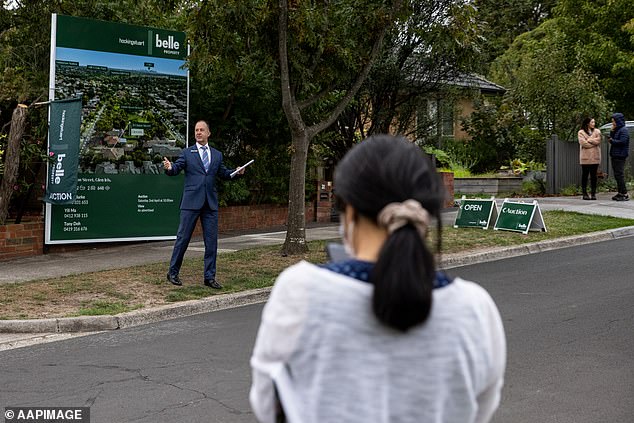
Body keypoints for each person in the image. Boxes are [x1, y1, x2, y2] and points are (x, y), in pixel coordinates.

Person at [249, 135, 506, 423]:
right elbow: (480, 409)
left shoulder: (300, 291)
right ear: (426, 214)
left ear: (351, 212)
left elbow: (267, 401)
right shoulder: (475, 308)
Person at [163, 120, 245, 288]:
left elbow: (223, 173)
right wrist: (169, 168)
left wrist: (236, 172)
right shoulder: (187, 153)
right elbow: (176, 169)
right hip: (191, 202)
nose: (198, 132)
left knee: (211, 242)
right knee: (183, 239)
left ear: (208, 133)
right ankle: (172, 272)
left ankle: (209, 277)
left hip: (210, 204)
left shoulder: (217, 154)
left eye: (202, 130)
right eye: (196, 130)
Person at [578, 117, 602, 200]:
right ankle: (584, 193)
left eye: (594, 122)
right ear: (587, 123)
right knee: (585, 175)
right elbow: (583, 144)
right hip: (585, 158)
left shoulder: (597, 131)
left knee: (593, 176)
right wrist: (593, 142)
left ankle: (593, 194)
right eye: (592, 122)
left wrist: (589, 139)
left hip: (595, 157)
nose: (594, 124)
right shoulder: (581, 132)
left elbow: (598, 141)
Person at [608, 112, 630, 201]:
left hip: (620, 155)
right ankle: (620, 193)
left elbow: (622, 142)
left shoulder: (624, 130)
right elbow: (613, 138)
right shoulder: (618, 129)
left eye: (614, 121)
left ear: (618, 121)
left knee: (619, 175)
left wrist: (612, 141)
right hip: (615, 154)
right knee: (617, 175)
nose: (613, 123)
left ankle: (624, 194)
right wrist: (612, 131)